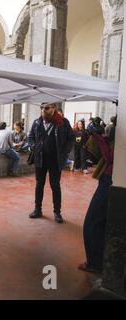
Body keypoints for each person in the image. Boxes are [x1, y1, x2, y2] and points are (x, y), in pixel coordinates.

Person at [79, 116, 116, 274]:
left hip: (110, 180)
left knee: (92, 222)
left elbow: (109, 158)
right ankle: (99, 260)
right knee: (101, 222)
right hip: (110, 179)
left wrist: (98, 137)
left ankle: (94, 263)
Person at [28, 103, 74, 224]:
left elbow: (71, 138)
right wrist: (33, 146)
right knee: (39, 184)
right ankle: (37, 209)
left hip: (55, 159)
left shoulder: (63, 122)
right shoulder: (37, 122)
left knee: (55, 185)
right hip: (40, 159)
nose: (44, 110)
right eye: (42, 108)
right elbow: (31, 137)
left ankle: (57, 212)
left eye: (47, 108)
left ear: (53, 108)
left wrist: (65, 151)